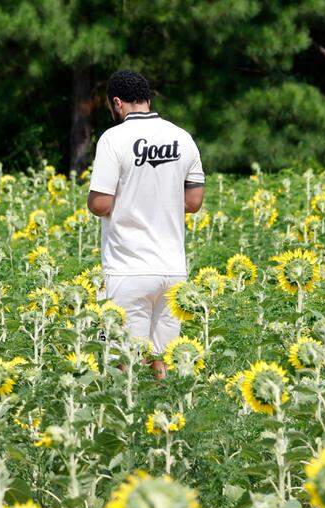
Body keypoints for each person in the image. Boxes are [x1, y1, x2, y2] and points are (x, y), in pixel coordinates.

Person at [86, 70, 204, 376]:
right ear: (148, 100)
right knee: (161, 364)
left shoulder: (113, 139)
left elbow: (101, 205)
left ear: (116, 103)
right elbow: (194, 202)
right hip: (173, 270)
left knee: (125, 365)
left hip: (129, 269)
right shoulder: (182, 137)